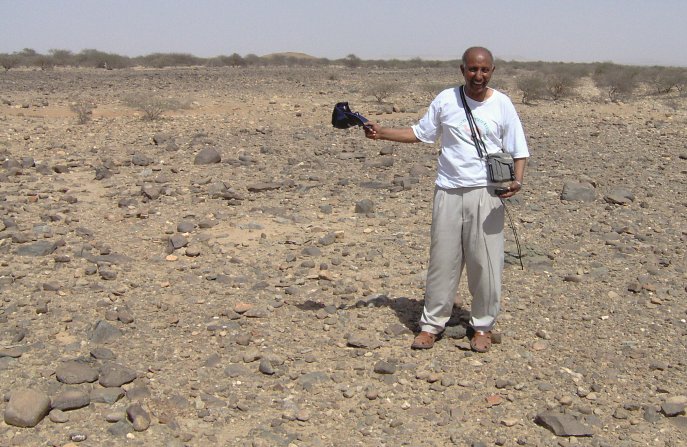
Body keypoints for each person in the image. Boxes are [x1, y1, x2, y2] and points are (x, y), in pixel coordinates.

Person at [363, 47, 529, 352]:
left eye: (484, 70)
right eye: (472, 69)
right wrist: (382, 132)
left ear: (492, 71)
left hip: (487, 193)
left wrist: (517, 181)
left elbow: (519, 149)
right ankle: (431, 324)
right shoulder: (446, 99)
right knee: (443, 261)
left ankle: (483, 326)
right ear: (462, 69)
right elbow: (420, 133)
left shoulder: (502, 104)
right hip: (448, 191)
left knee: (486, 263)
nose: (478, 76)